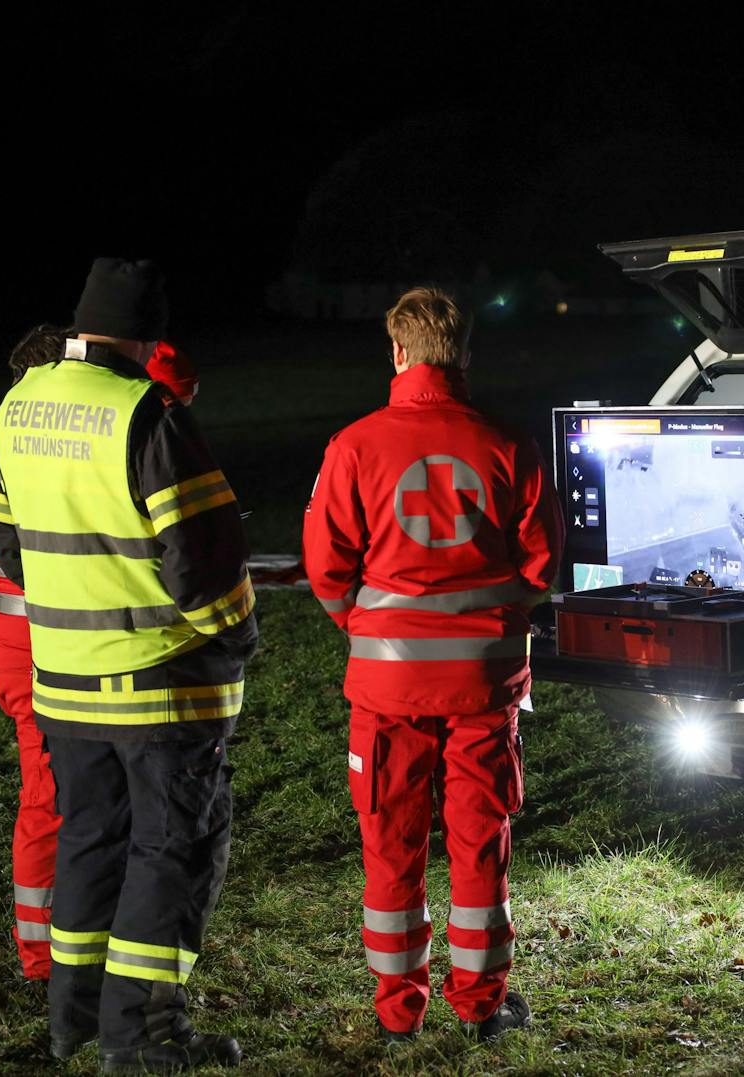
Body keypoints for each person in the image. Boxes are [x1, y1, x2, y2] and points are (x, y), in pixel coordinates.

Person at [0, 258, 257, 1072]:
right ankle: (140, 1037)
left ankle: (72, 1019)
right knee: (171, 853)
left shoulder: (16, 405)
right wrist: (235, 636)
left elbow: (8, 550)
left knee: (90, 844)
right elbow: (201, 563)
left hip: (61, 679)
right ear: (147, 338)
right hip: (157, 685)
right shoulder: (146, 413)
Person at [302, 285, 561, 1043]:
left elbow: (326, 567)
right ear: (463, 355)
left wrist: (370, 624)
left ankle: (396, 1011)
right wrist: (490, 617)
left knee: (390, 839)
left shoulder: (353, 445)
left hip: (386, 687)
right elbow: (541, 565)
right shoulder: (507, 444)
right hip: (483, 683)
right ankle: (482, 1004)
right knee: (480, 839)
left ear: (397, 353)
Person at [0, 324, 70, 985]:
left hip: (20, 637)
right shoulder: (32, 447)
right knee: (49, 796)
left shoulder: (3, 442)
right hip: (42, 640)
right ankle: (41, 955)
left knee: (59, 792)